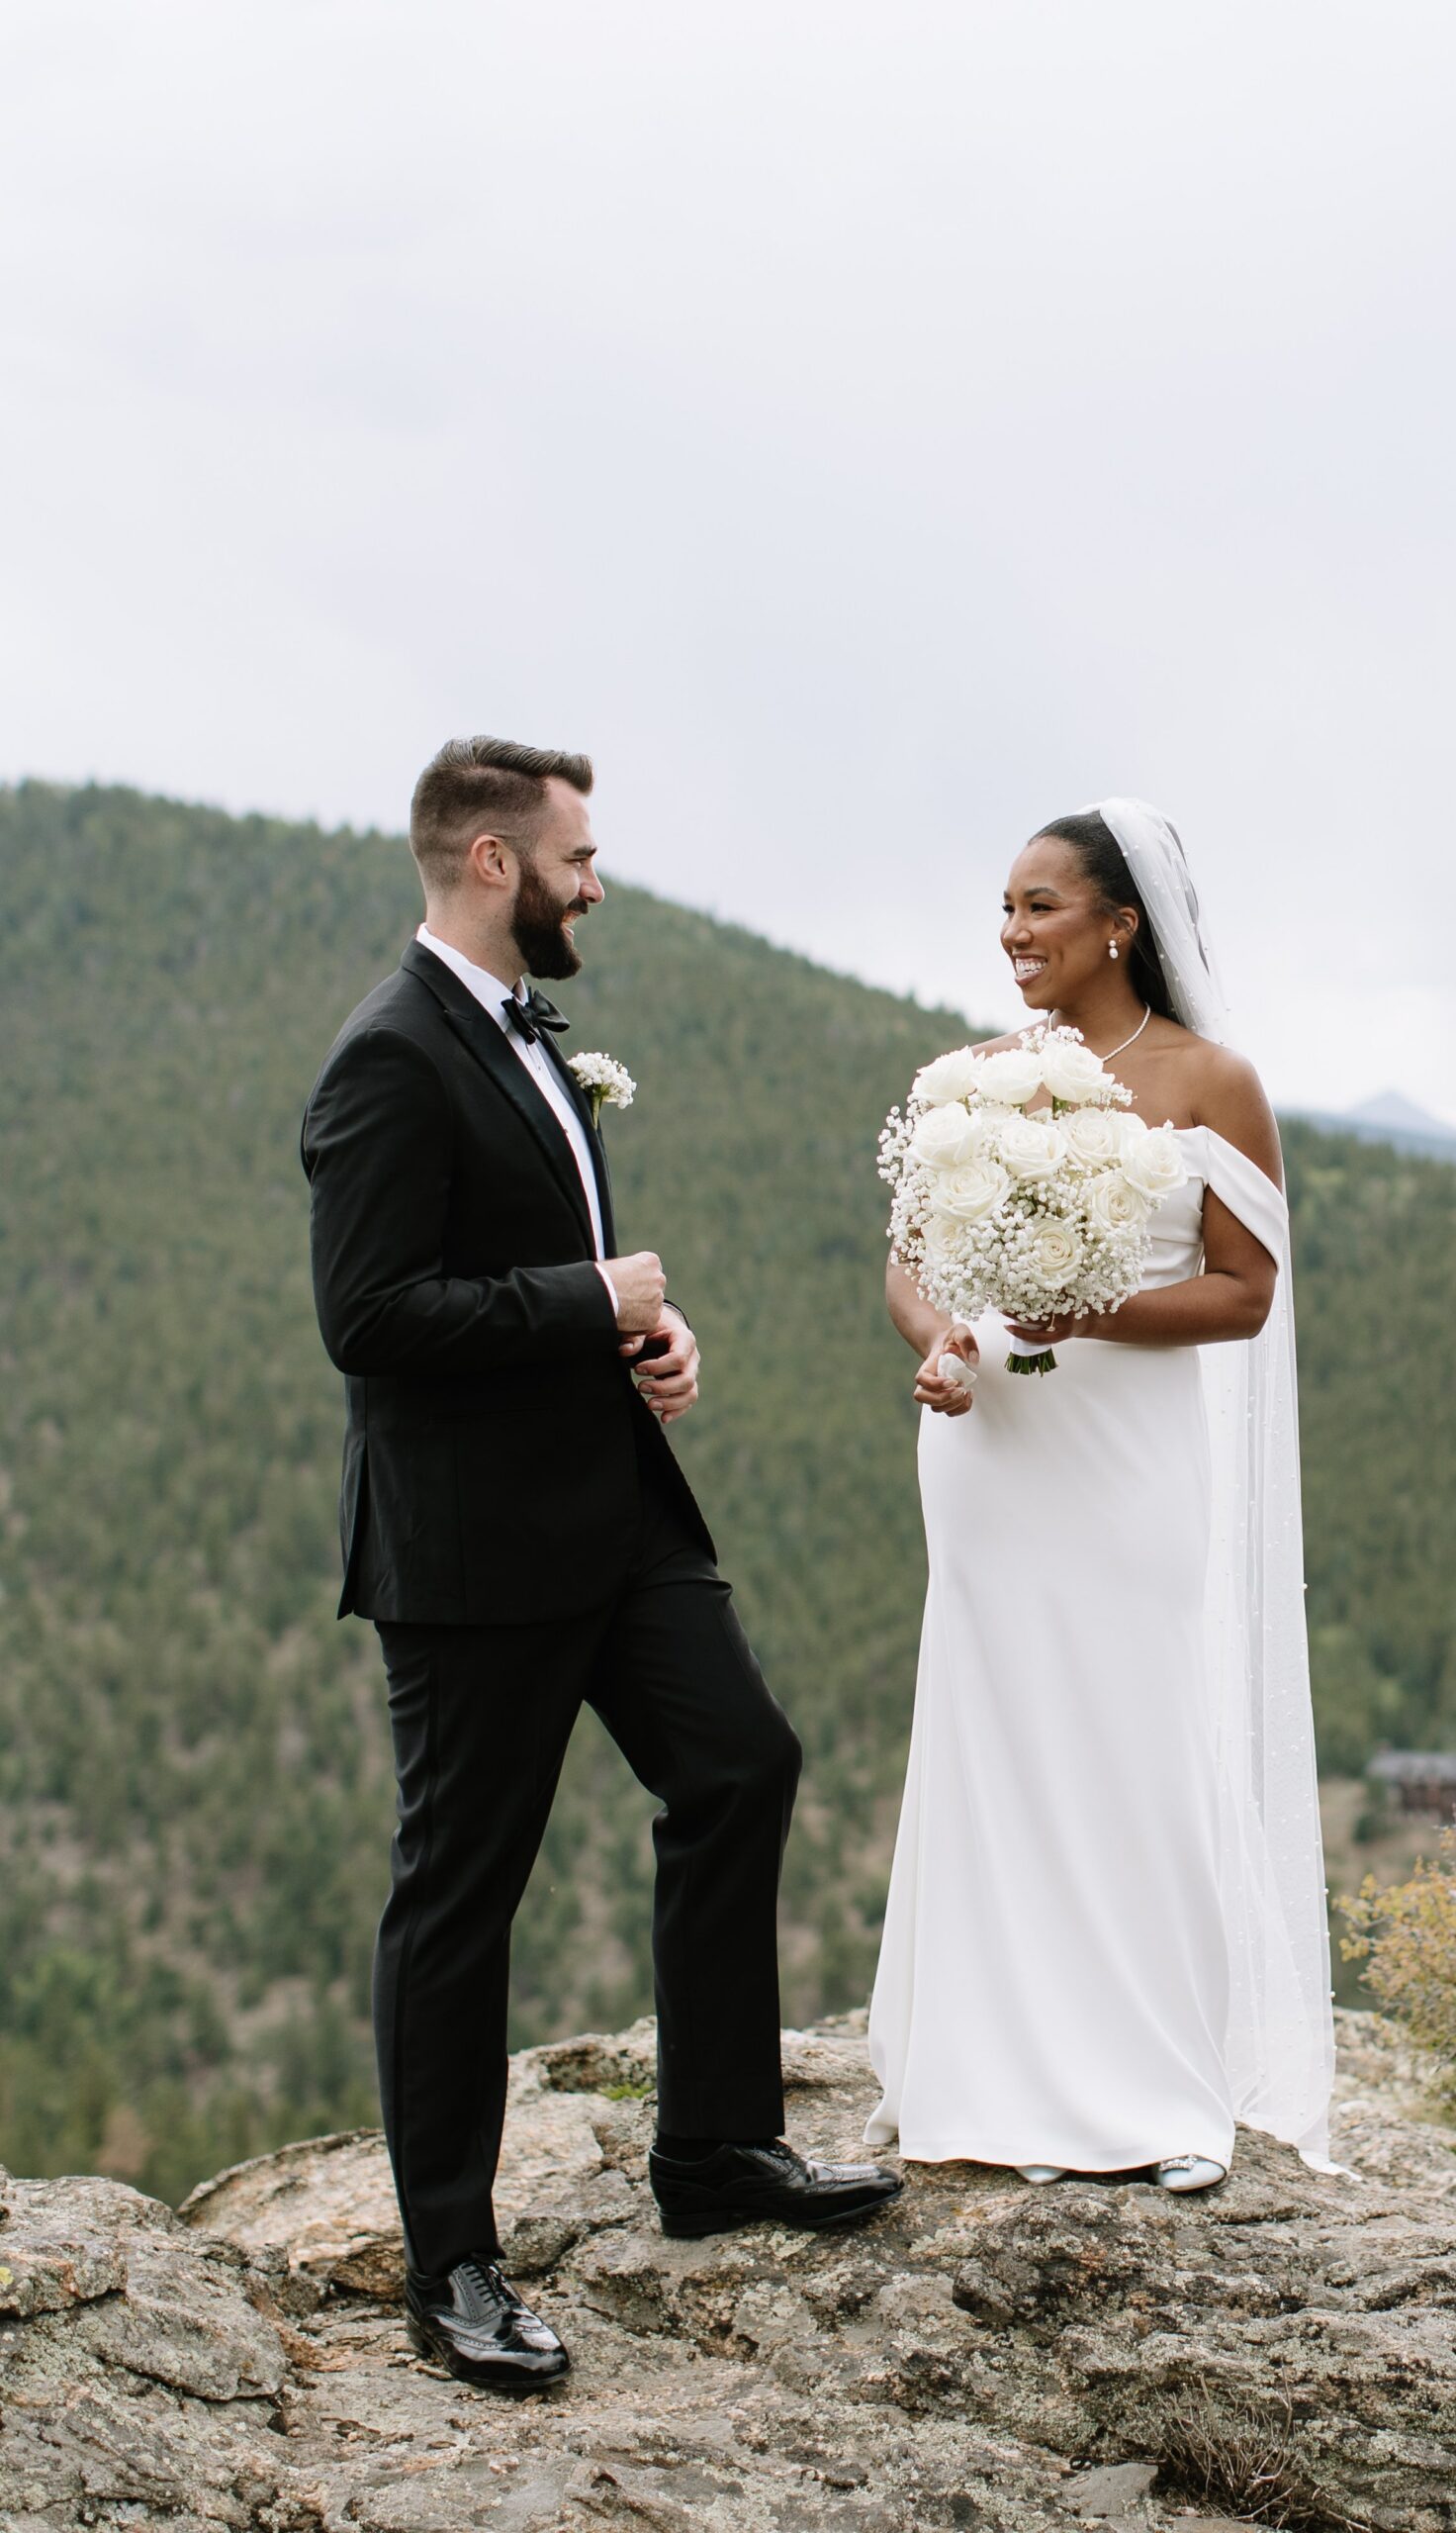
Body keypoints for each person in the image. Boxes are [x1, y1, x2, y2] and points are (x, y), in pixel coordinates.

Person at [302, 735, 900, 2393]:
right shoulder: (386, 1059)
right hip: (474, 1556)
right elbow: (368, 1321)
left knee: (740, 1767)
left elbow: (551, 1267)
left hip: (616, 1514)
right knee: (461, 1896)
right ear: (494, 865)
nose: (597, 883)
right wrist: (594, 1303)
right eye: (577, 857)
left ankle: (711, 2154)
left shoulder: (520, 1032)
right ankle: (453, 2266)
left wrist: (648, 1336)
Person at [866, 798, 1334, 2189]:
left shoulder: (1211, 1082)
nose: (1013, 933)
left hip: (1127, 1462)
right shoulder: (968, 1079)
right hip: (992, 1455)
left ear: (1121, 922)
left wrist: (1095, 1308)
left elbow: (1245, 1295)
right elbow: (909, 1262)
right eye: (1004, 910)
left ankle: (1154, 2085)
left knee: (1128, 1730)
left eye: (1041, 906)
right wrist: (943, 1342)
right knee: (994, 1732)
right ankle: (980, 2066)